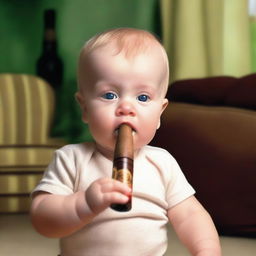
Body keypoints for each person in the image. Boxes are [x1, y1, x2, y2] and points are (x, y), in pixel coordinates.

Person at [30, 28, 221, 256]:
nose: (126, 109)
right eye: (110, 95)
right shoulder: (71, 158)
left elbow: (191, 215)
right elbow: (42, 217)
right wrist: (82, 205)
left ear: (160, 113)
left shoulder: (162, 163)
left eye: (142, 97)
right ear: (85, 108)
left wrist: (206, 249)